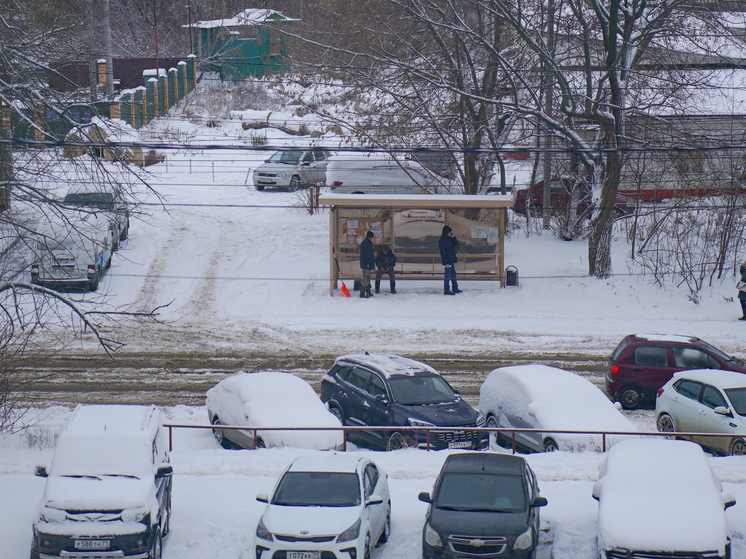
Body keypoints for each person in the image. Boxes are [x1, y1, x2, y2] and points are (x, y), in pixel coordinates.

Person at [438, 225, 461, 295]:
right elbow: (443, 252)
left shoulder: (449, 239)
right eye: (449, 232)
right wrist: (445, 263)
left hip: (451, 260)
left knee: (453, 274)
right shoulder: (442, 240)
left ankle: (455, 288)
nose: (450, 233)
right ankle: (446, 289)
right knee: (447, 275)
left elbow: (456, 244)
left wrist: (453, 237)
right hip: (447, 261)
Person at [359, 230, 375, 298]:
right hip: (367, 264)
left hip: (364, 264)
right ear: (371, 237)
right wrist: (369, 263)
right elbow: (368, 256)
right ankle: (362, 293)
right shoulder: (367, 244)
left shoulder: (365, 243)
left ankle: (368, 292)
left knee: (367, 278)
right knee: (366, 278)